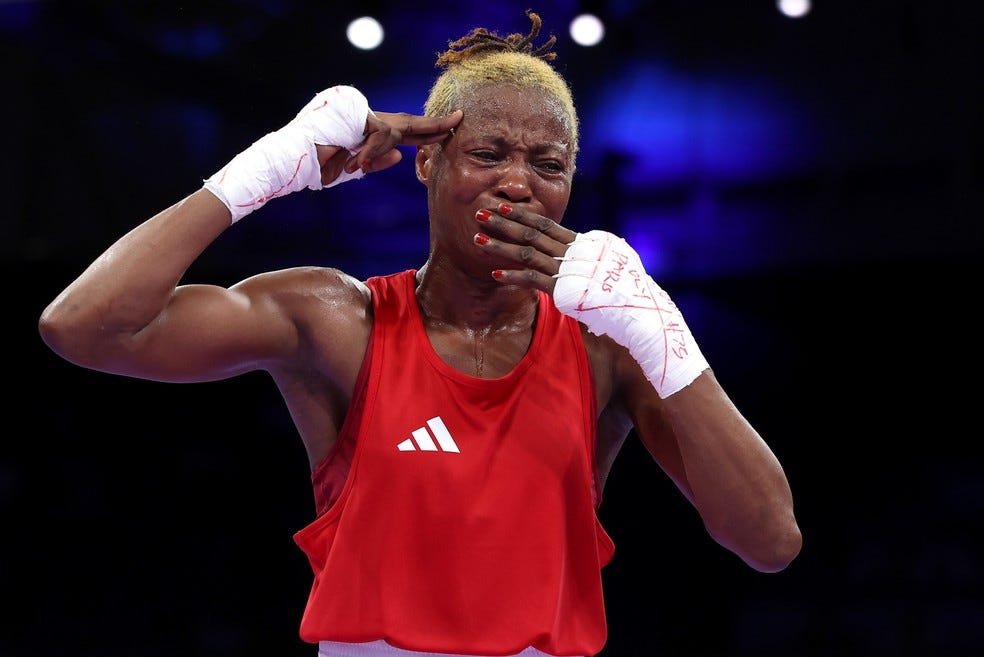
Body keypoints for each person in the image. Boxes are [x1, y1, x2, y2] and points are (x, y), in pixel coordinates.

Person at [38, 10, 802, 657]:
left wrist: (660, 325)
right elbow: (85, 326)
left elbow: (770, 540)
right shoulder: (337, 319)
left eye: (548, 162)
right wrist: (265, 170)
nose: (518, 182)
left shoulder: (606, 344)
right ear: (427, 160)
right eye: (489, 152)